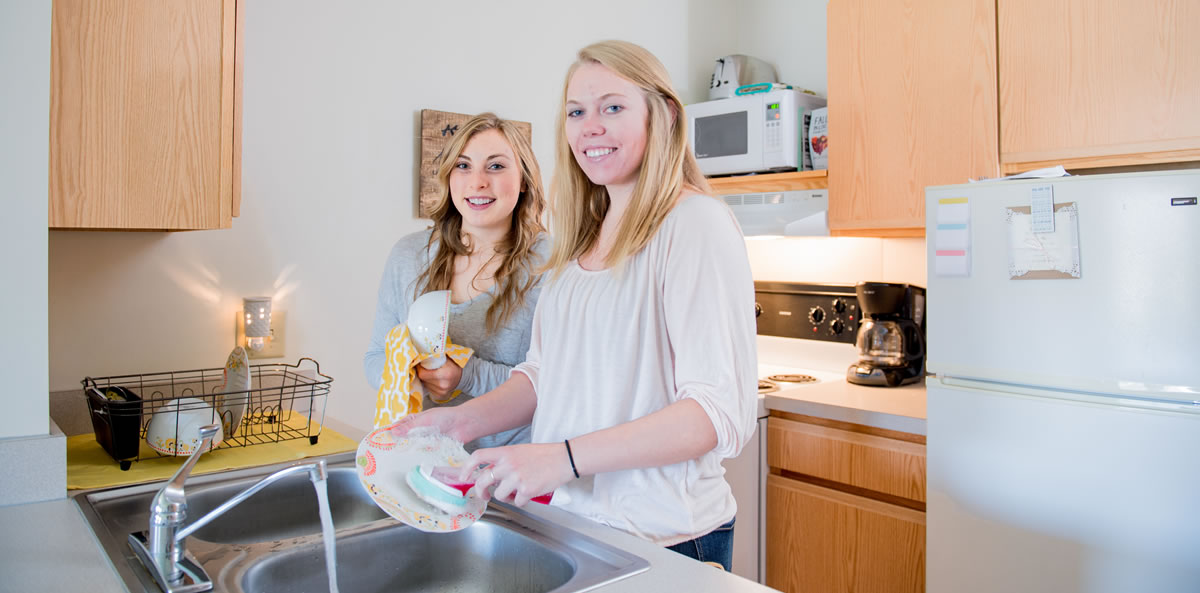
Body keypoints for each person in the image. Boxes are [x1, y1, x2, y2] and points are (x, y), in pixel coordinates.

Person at [390, 41, 757, 570]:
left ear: (665, 114)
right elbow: (543, 376)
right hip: (579, 525)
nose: (591, 127)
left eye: (613, 107)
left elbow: (715, 414)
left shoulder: (693, 225)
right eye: (576, 112)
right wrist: (457, 426)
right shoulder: (580, 240)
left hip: (665, 537)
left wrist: (560, 459)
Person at [365, 112, 550, 450]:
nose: (477, 182)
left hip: (510, 473)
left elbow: (556, 386)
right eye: (463, 166)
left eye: (496, 166)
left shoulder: (552, 266)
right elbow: (377, 356)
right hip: (419, 460)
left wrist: (464, 374)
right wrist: (411, 374)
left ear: (524, 179)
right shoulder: (408, 255)